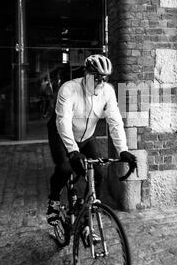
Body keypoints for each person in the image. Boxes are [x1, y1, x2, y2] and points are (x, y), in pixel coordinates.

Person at [46, 54, 137, 242]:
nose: (100, 82)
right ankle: (54, 201)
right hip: (62, 136)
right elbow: (62, 122)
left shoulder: (108, 92)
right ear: (86, 73)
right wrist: (72, 151)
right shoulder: (69, 89)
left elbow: (115, 121)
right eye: (96, 77)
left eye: (104, 78)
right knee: (65, 168)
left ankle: (86, 220)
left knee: (99, 172)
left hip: (86, 137)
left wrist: (123, 150)